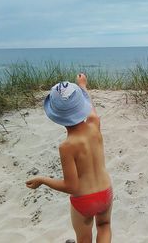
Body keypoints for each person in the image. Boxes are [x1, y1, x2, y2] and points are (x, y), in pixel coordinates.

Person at [26, 73, 113, 243]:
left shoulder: (67, 147)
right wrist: (82, 86)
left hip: (84, 200)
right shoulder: (95, 124)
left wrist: (43, 180)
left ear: (56, 116)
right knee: (104, 226)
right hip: (105, 191)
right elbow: (91, 108)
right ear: (82, 106)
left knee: (83, 238)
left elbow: (71, 186)